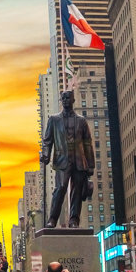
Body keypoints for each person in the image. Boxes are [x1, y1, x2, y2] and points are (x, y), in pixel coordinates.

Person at [40, 89, 95, 228]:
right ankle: (52, 219)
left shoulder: (81, 121)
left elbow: (87, 143)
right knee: (60, 188)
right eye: (63, 98)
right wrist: (45, 155)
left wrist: (91, 165)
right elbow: (47, 140)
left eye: (68, 98)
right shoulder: (54, 120)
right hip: (62, 161)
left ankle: (74, 220)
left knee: (77, 191)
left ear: (73, 100)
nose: (65, 100)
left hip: (79, 161)